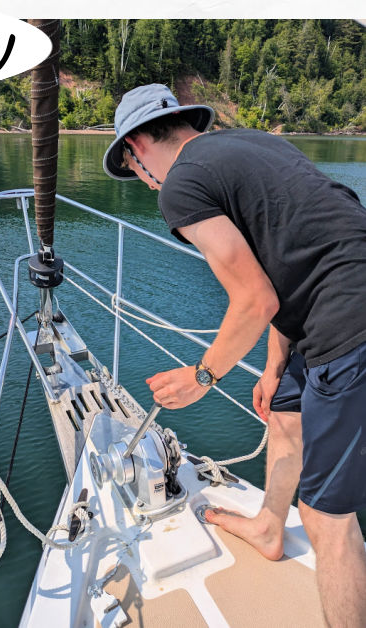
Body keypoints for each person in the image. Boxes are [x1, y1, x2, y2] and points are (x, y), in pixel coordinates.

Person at [102, 83, 366, 626]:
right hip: (328, 304)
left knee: (327, 519)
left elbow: (254, 297)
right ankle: (271, 526)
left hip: (349, 322)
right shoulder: (254, 145)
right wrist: (273, 368)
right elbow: (288, 260)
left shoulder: (180, 183)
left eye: (133, 166)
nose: (142, 178)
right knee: (285, 416)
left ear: (137, 147)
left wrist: (203, 375)